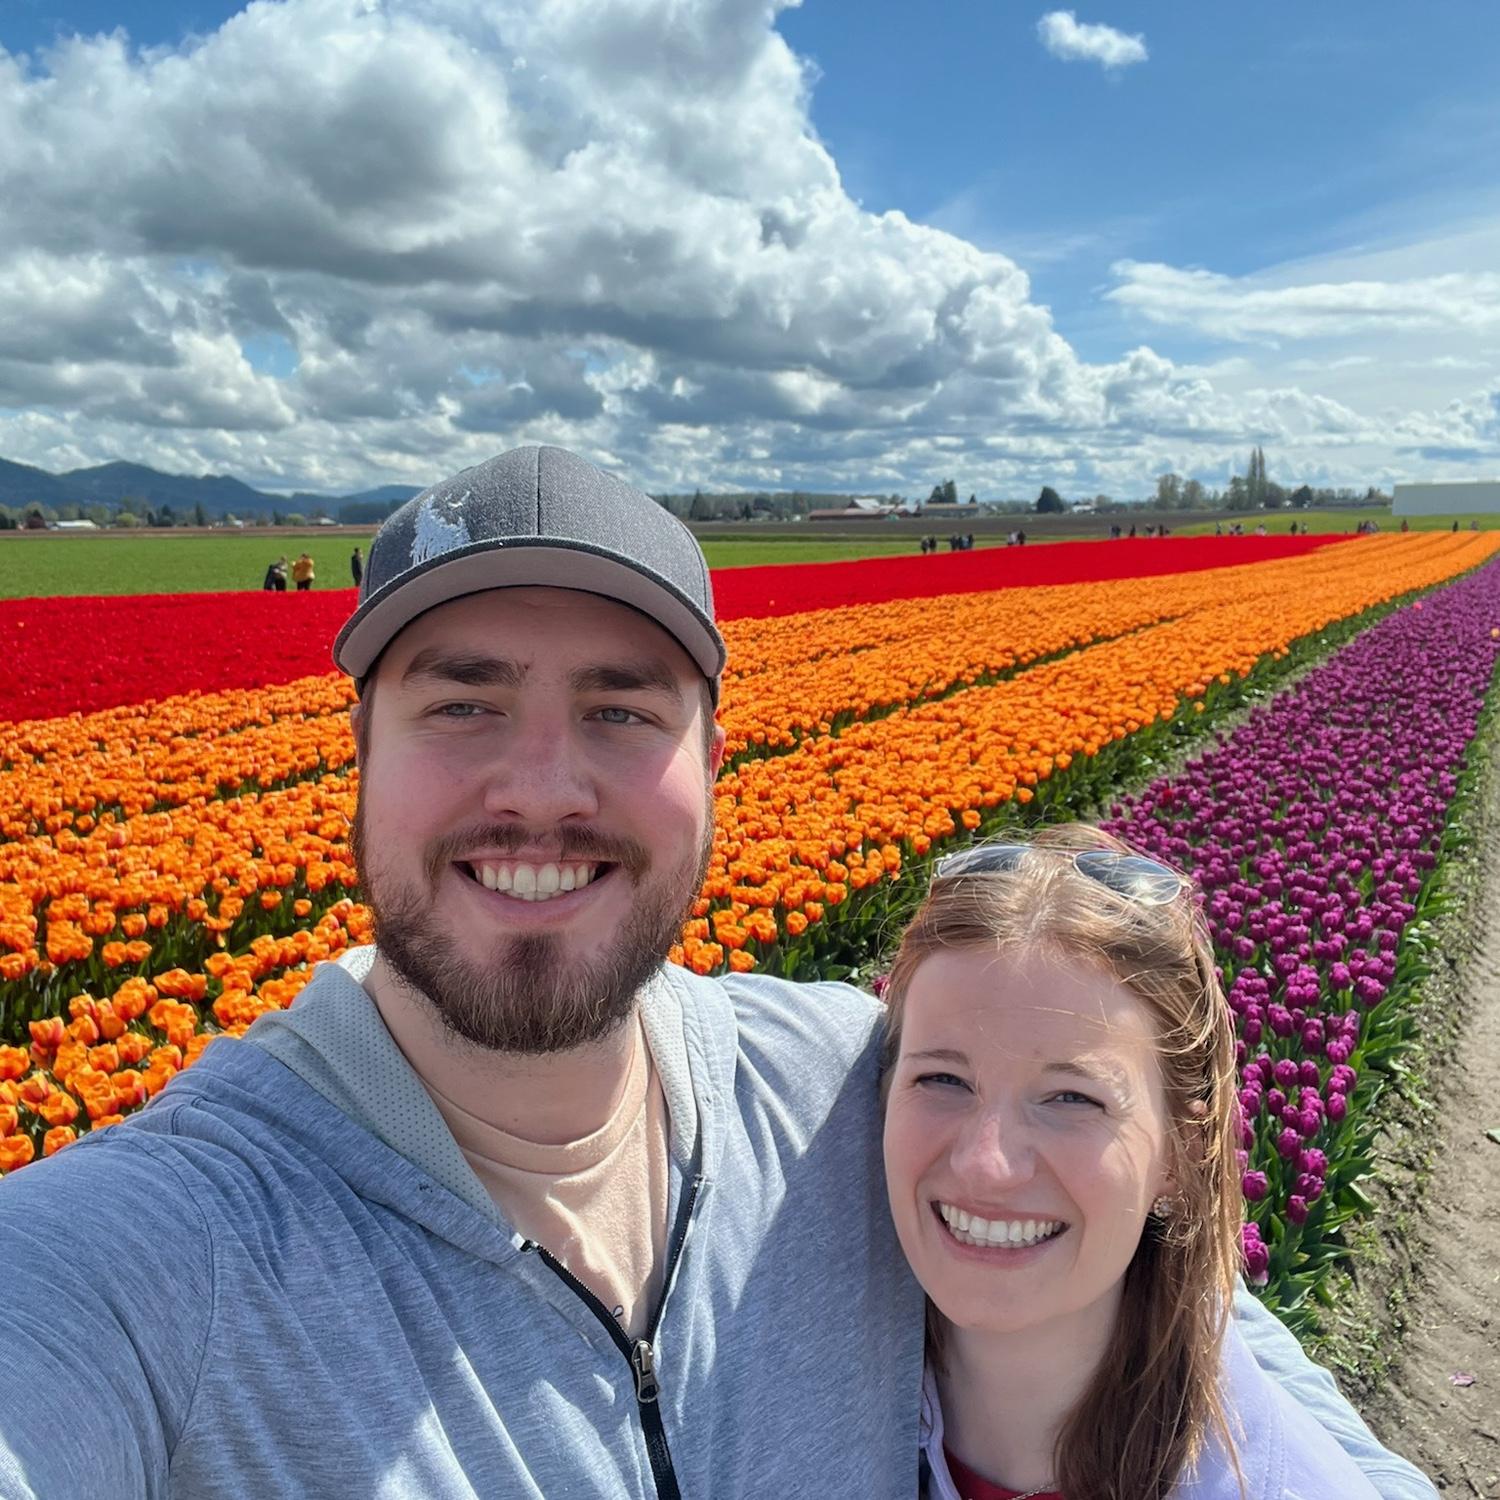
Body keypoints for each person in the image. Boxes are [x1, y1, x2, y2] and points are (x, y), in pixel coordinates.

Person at [0, 446, 1437, 1499]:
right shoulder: (156, 1257)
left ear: (713, 768)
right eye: (463, 701)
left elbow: (1169, 1276)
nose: (543, 786)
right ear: (358, 758)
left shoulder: (850, 1078)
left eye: (624, 708)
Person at [881, 827, 1391, 1499]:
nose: (987, 1165)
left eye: (1071, 1097)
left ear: (1181, 1154)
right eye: (943, 1080)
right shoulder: (787, 1389)